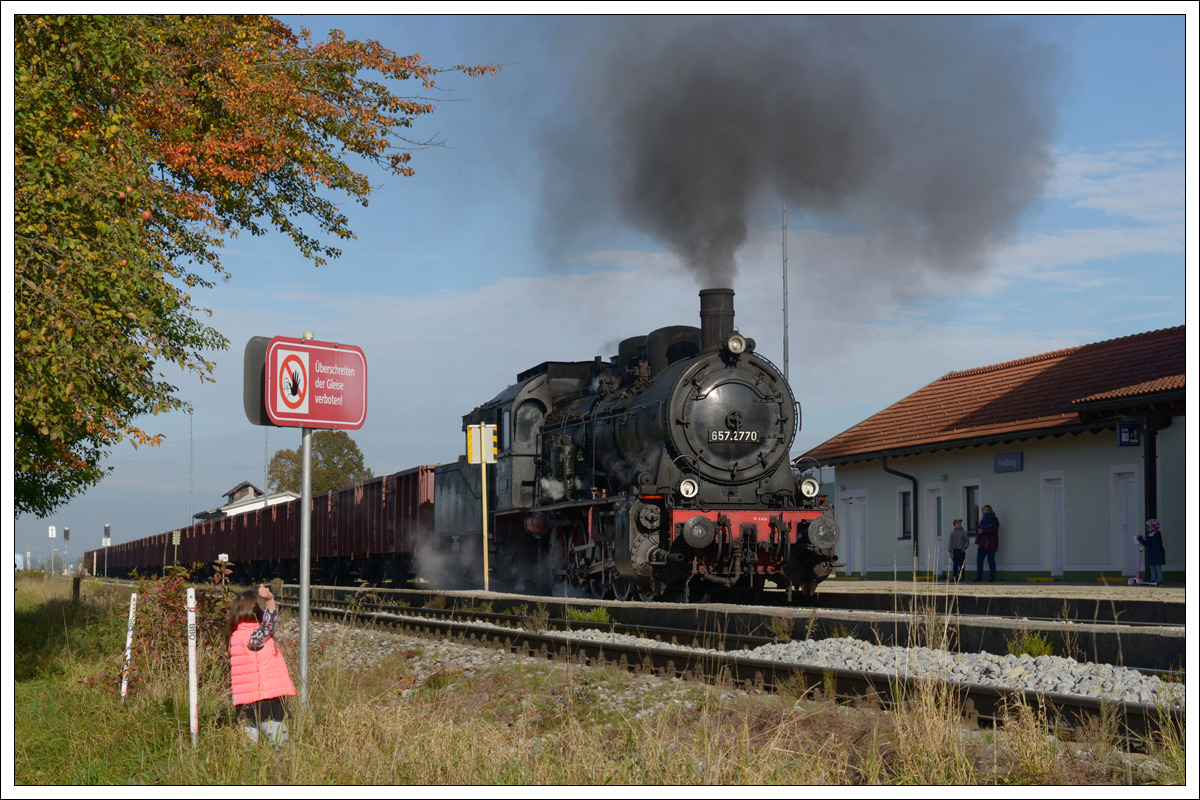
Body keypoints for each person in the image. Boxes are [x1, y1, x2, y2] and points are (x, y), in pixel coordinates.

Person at [225, 584, 295, 745]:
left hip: (244, 703)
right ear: (261, 612)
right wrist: (270, 601)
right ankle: (281, 763)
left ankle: (246, 762)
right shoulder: (254, 636)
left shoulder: (235, 635)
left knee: (247, 748)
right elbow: (268, 626)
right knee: (279, 745)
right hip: (266, 700)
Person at [1136, 519, 1166, 585]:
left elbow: (1147, 543)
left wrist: (1139, 538)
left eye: (1148, 527)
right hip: (1154, 553)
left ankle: (1159, 580)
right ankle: (1153, 579)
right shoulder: (1153, 535)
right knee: (1152, 566)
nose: (1147, 528)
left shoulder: (1155, 535)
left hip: (1157, 553)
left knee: (1157, 566)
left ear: (1152, 527)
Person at [974, 505, 999, 582]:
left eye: (984, 509)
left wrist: (983, 531)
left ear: (988, 510)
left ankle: (992, 577)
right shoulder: (983, 520)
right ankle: (979, 577)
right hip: (982, 543)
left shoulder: (994, 519)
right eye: (983, 510)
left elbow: (994, 529)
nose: (983, 511)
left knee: (991, 560)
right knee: (979, 560)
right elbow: (978, 528)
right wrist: (978, 530)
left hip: (991, 543)